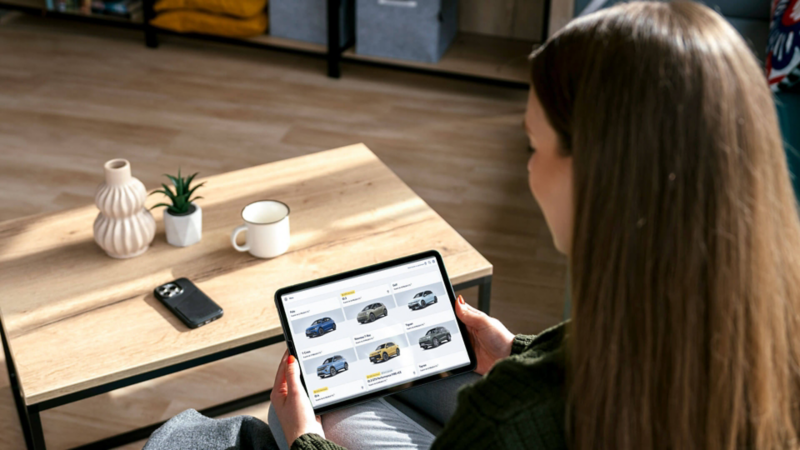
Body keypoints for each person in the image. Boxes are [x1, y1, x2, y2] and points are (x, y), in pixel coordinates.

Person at [267, 2, 800, 450]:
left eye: (535, 143)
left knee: (311, 406)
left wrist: (303, 441)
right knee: (391, 372)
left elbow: (523, 410)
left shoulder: (505, 417)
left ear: (597, 177)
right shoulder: (765, 321)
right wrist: (514, 351)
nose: (528, 165)